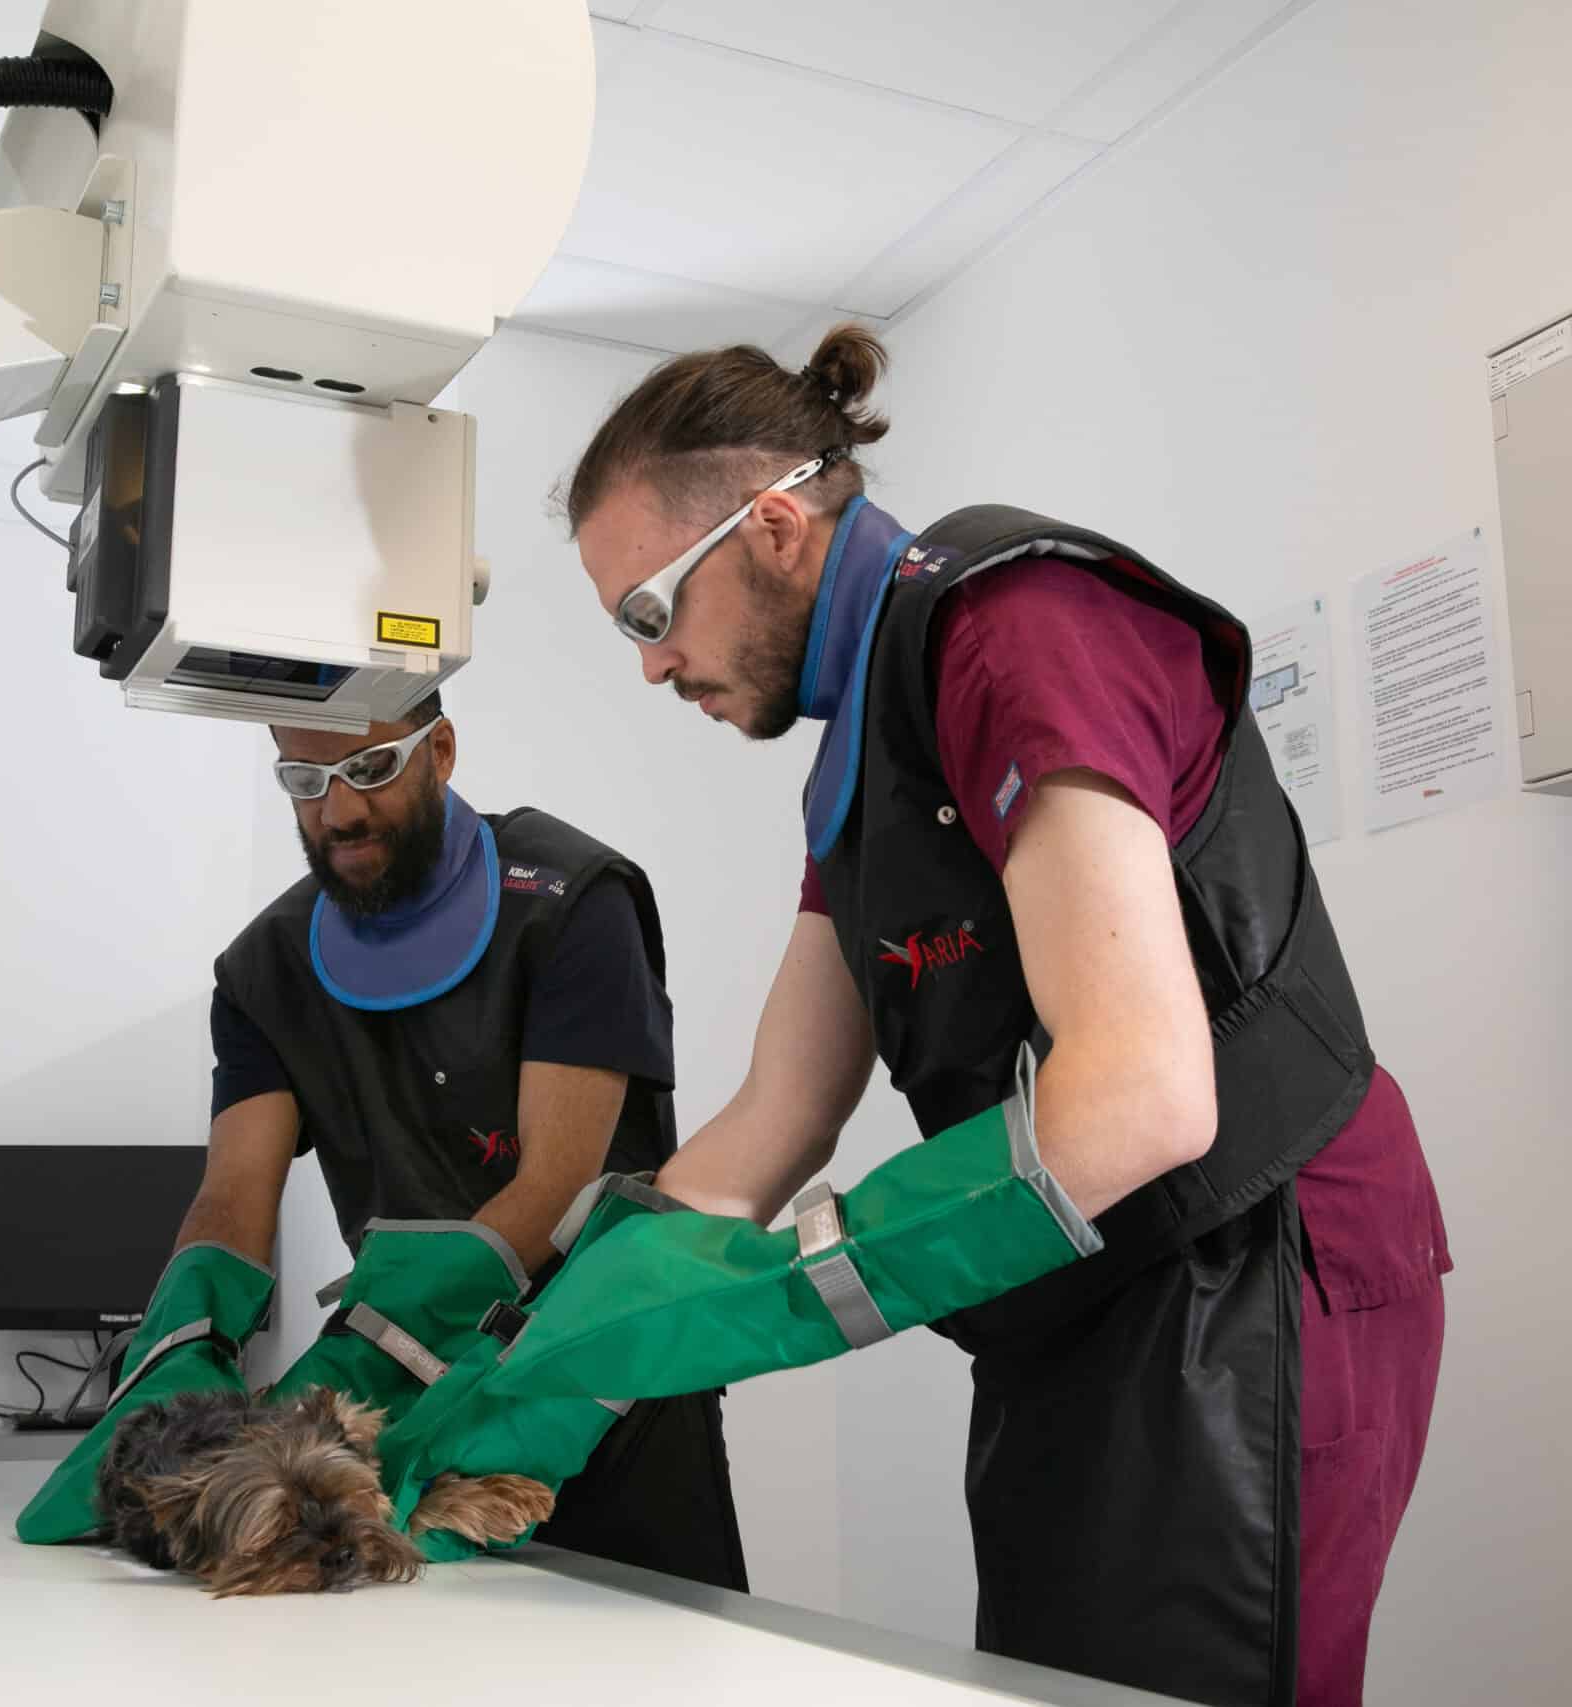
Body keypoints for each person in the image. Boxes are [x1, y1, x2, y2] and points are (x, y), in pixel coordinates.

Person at [554, 327, 1450, 1705]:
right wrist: (546, 1335)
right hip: (1078, 1275)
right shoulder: (861, 762)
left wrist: (790, 1294)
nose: (653, 666)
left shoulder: (1011, 625)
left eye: (647, 613)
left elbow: (1144, 1094)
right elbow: (776, 1117)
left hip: (1245, 1254)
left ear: (774, 528)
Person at [169, 691, 747, 1590]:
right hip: (407, 1403)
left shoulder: (569, 902)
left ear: (439, 749)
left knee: (651, 1644)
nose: (338, 810)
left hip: (602, 1383)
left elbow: (555, 1190)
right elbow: (235, 1198)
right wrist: (177, 1360)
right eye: (305, 780)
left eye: (369, 768)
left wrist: (375, 1347)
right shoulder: (263, 969)